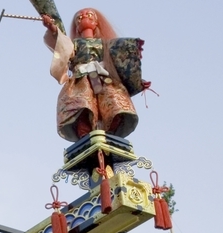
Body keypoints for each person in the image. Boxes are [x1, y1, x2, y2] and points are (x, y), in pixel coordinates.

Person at [42, 8, 149, 142]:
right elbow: (61, 45)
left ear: (96, 22)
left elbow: (121, 63)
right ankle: (85, 132)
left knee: (113, 103)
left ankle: (110, 132)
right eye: (79, 18)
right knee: (81, 105)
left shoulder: (106, 44)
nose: (84, 18)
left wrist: (136, 81)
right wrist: (52, 28)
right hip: (81, 80)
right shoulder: (74, 45)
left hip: (104, 78)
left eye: (89, 15)